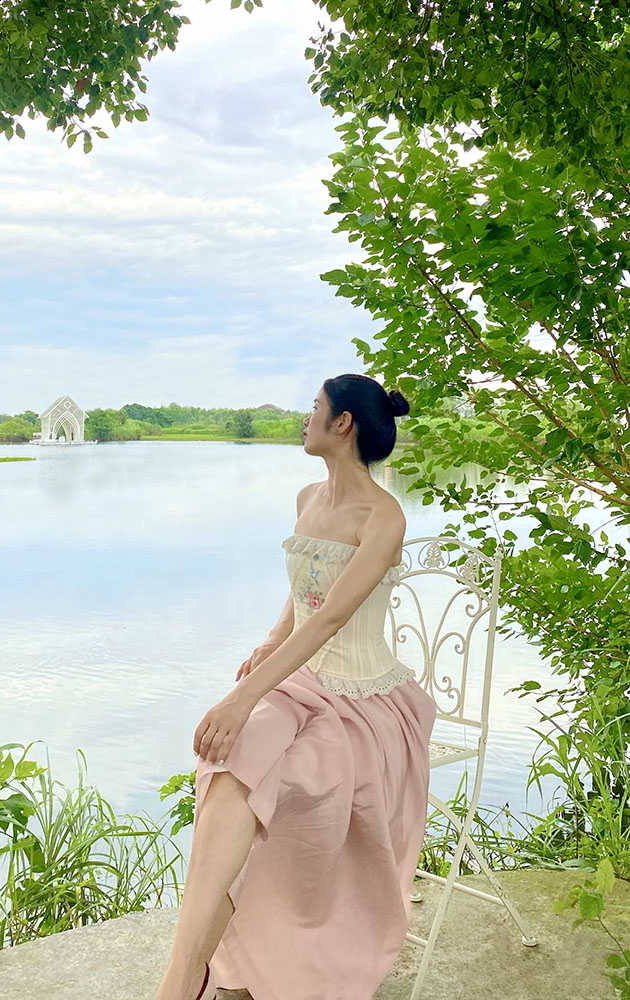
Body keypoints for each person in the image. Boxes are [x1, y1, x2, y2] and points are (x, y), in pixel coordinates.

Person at [153, 373, 438, 1000]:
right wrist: (271, 637)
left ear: (343, 424)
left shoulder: (384, 517)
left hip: (362, 700)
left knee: (272, 766)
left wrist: (243, 695)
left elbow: (333, 617)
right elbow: (305, 591)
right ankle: (184, 976)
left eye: (314, 408)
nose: (303, 418)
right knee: (230, 763)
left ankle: (221, 970)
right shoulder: (308, 496)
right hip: (300, 681)